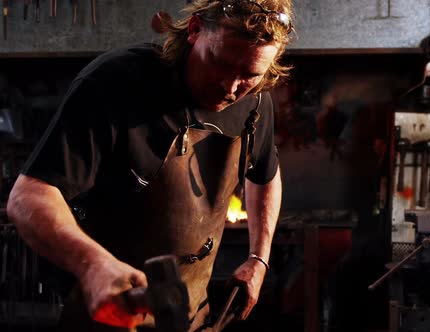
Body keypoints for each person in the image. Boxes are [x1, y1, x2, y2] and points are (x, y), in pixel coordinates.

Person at [6, 0, 293, 330]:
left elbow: (266, 174)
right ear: (195, 30)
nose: (230, 88)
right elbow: (28, 196)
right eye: (219, 63)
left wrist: (259, 258)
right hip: (110, 313)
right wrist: (94, 266)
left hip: (194, 317)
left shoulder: (255, 102)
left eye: (249, 75)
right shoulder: (116, 83)